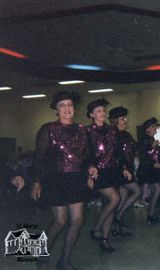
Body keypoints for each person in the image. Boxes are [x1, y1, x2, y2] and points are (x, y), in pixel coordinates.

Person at [31, 91, 98, 270]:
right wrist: (37, 181)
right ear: (56, 110)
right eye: (62, 105)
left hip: (77, 179)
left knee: (77, 220)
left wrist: (91, 167)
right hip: (56, 180)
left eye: (69, 105)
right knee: (59, 221)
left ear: (74, 109)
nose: (67, 109)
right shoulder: (48, 129)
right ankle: (42, 257)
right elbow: (39, 158)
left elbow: (88, 155)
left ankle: (65, 260)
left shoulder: (83, 130)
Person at [86, 99, 132, 252]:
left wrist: (125, 167)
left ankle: (104, 239)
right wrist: (89, 171)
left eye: (103, 110)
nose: (102, 113)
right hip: (98, 172)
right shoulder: (87, 131)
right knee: (115, 199)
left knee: (110, 205)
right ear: (92, 114)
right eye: (98, 111)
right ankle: (96, 229)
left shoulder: (112, 130)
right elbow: (86, 154)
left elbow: (119, 151)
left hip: (113, 171)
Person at [108, 106, 142, 236]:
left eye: (125, 118)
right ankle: (118, 217)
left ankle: (117, 228)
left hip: (128, 168)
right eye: (123, 118)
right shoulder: (112, 134)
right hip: (119, 170)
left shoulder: (126, 134)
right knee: (137, 191)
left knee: (122, 198)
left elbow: (134, 149)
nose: (125, 121)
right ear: (115, 120)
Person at [137, 117, 160, 224]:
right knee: (157, 189)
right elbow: (143, 155)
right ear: (147, 129)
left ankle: (151, 215)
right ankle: (150, 215)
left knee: (157, 189)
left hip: (151, 169)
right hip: (147, 169)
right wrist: (152, 148)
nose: (155, 128)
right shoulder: (145, 139)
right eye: (153, 126)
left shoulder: (150, 139)